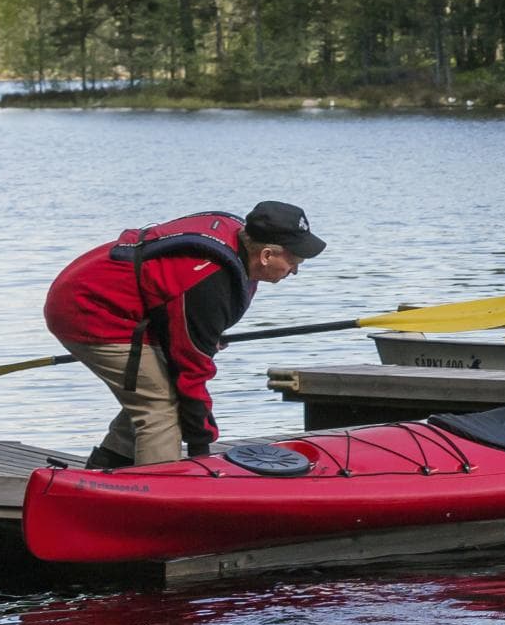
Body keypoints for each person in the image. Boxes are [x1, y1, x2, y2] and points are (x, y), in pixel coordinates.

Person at [43, 201, 327, 469]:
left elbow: (183, 316)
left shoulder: (237, 240)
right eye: (294, 261)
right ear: (266, 256)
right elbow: (191, 369)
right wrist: (199, 446)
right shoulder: (209, 280)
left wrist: (200, 333)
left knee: (156, 389)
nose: (296, 271)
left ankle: (107, 468)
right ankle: (159, 497)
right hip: (88, 311)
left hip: (115, 301)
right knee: (160, 408)